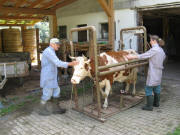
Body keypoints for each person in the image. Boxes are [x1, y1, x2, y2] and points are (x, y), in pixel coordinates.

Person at [40, 38, 79, 116]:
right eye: (57, 44)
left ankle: (55, 108)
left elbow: (55, 63)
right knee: (47, 94)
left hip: (52, 76)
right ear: (52, 44)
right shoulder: (48, 51)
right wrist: (70, 64)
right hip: (48, 76)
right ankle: (41, 109)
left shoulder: (52, 51)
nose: (59, 46)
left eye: (59, 44)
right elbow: (57, 62)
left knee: (56, 91)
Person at [127, 35, 166, 111]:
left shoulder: (154, 49)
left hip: (153, 71)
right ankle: (156, 103)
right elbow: (163, 57)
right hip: (159, 71)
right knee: (157, 86)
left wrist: (132, 56)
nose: (150, 42)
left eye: (151, 40)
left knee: (148, 88)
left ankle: (149, 106)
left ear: (154, 41)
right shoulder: (161, 50)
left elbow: (144, 55)